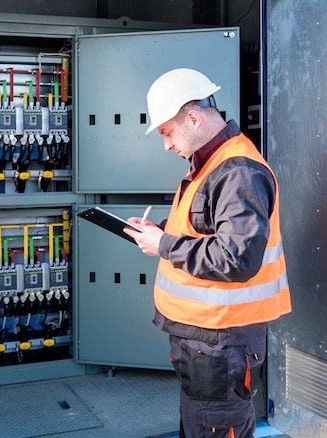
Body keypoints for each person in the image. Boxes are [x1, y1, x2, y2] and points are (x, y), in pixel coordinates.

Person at [123, 68, 292, 438]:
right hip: (205, 342)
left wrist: (163, 246)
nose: (166, 144)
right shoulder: (211, 166)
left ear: (194, 118)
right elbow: (204, 227)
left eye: (167, 132)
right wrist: (162, 230)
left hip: (221, 344)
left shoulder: (238, 172)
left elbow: (236, 258)